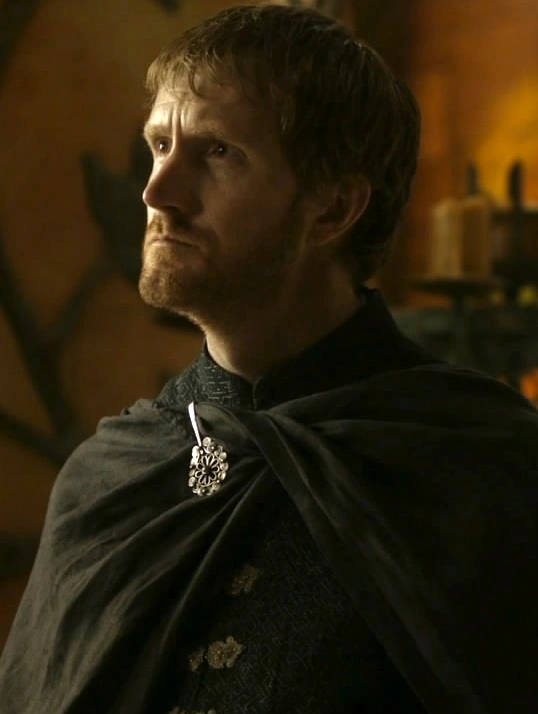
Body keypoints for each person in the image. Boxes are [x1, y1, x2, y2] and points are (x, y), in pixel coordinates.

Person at [1, 4, 538, 714]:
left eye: (218, 153)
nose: (157, 192)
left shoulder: (480, 469)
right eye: (159, 144)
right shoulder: (108, 479)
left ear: (333, 209)